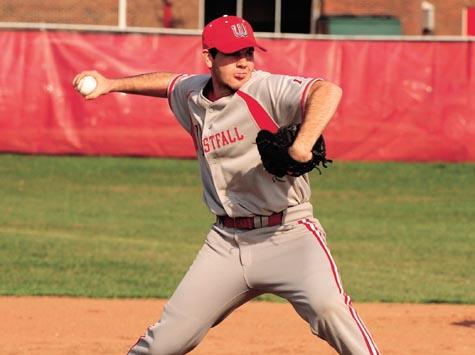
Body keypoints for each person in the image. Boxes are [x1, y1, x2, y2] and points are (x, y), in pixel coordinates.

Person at [73, 15, 379, 355]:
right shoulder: (193, 95)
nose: (243, 62)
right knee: (168, 340)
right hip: (226, 243)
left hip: (289, 233)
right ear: (209, 58)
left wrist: (303, 142)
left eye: (248, 52)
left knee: (331, 310)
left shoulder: (264, 88)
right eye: (233, 54)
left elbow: (327, 89)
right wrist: (110, 83)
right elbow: (170, 84)